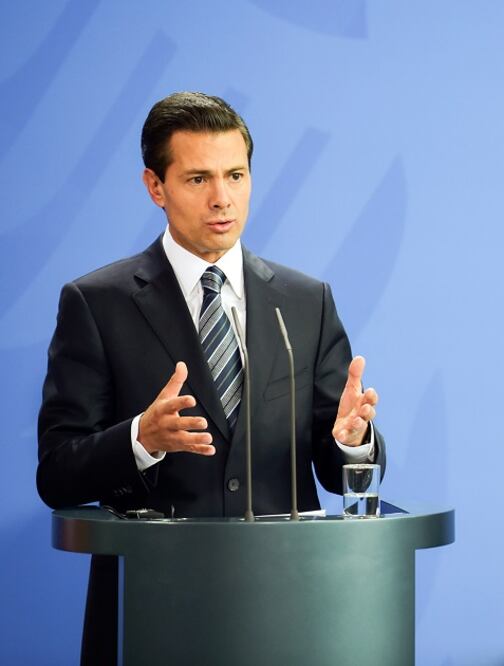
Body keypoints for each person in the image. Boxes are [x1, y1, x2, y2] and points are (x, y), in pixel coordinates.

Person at [36, 91, 386, 664]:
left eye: (236, 175)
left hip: (287, 610)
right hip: (153, 612)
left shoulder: (305, 302)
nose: (223, 198)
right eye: (198, 179)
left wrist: (350, 441)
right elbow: (56, 473)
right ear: (156, 187)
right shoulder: (96, 303)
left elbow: (334, 466)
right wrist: (139, 441)